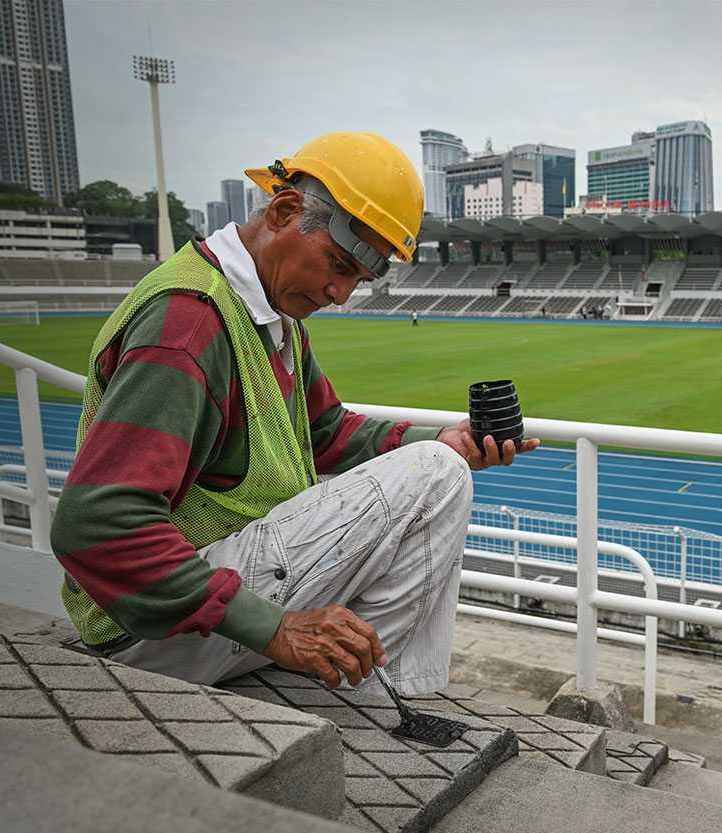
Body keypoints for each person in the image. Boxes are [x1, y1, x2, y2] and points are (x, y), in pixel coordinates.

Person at [50, 132, 539, 696]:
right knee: (435, 477)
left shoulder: (273, 317)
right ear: (284, 211)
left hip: (202, 605)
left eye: (359, 279)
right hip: (147, 631)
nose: (339, 294)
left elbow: (327, 431)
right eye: (337, 264)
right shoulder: (187, 323)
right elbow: (94, 525)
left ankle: (365, 684)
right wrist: (277, 629)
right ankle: (383, 699)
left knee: (438, 463)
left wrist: (445, 438)